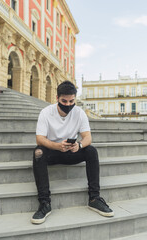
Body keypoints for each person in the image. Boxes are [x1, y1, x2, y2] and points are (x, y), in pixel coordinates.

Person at [31, 80, 114, 224]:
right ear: (57, 98)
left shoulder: (79, 112)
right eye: (64, 101)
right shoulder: (46, 112)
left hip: (72, 152)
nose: (68, 104)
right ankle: (45, 203)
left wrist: (79, 145)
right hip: (53, 152)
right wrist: (57, 146)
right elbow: (40, 139)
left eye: (71, 101)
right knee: (38, 152)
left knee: (92, 151)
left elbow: (88, 137)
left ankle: (94, 198)